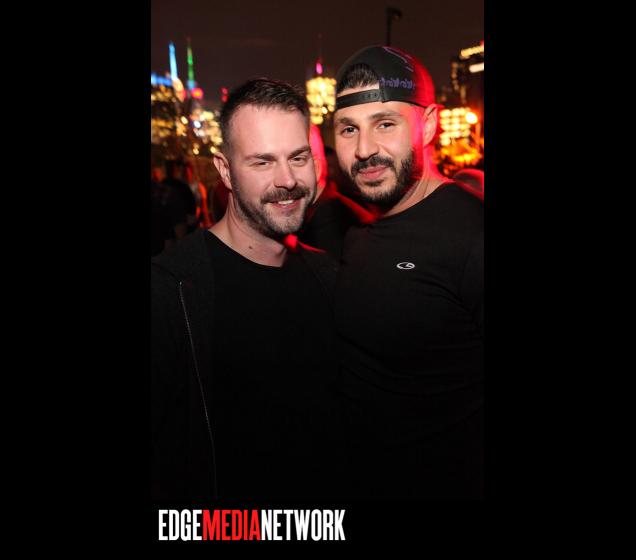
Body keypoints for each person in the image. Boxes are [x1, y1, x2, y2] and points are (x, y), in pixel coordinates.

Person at [151, 78, 344, 502]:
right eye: (262, 162)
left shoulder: (329, 276)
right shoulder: (169, 291)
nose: (287, 179)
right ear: (225, 170)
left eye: (298, 157)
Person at [332, 45, 484, 499]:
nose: (364, 150)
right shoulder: (357, 232)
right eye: (349, 129)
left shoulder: (472, 234)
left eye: (385, 124)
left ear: (429, 125)